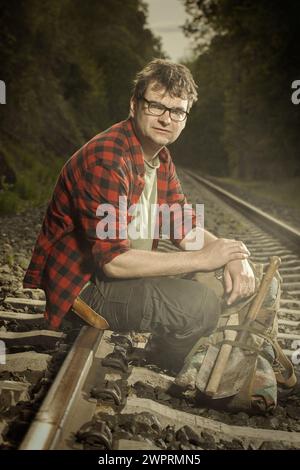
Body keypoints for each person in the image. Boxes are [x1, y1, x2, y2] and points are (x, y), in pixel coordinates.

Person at [24, 59, 255, 370]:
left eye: (177, 111)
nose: (166, 119)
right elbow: (114, 261)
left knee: (213, 279)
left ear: (185, 118)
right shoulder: (109, 160)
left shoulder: (159, 158)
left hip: (115, 280)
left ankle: (168, 349)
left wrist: (231, 254)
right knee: (200, 303)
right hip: (84, 290)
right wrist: (204, 259)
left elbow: (183, 227)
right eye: (156, 106)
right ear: (134, 105)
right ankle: (164, 360)